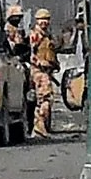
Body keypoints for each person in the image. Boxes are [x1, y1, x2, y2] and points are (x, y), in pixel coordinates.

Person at [29, 9, 59, 138]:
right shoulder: (35, 35)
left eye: (46, 19)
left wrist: (55, 64)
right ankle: (39, 128)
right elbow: (30, 53)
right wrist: (39, 63)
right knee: (44, 99)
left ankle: (41, 127)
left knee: (45, 99)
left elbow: (50, 52)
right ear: (37, 21)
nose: (44, 22)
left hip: (46, 71)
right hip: (39, 72)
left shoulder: (47, 36)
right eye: (42, 19)